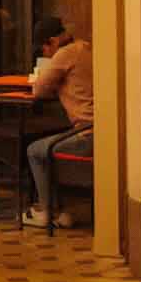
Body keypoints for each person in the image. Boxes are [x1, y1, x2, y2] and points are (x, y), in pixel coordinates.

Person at [22, 15, 95, 229]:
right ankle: (61, 210)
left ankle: (46, 212)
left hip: (87, 132)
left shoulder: (64, 54)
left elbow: (39, 90)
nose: (44, 53)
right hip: (100, 127)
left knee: (35, 151)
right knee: (48, 146)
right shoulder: (84, 47)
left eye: (43, 48)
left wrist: (46, 75)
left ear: (53, 41)